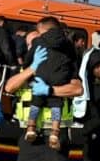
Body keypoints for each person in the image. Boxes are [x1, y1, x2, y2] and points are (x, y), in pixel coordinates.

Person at [23, 17, 77, 150]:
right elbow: (73, 61)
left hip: (41, 76)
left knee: (36, 103)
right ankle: (55, 133)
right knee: (56, 106)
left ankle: (31, 128)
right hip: (59, 80)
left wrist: (31, 65)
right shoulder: (68, 44)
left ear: (43, 29)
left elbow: (27, 61)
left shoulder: (38, 41)